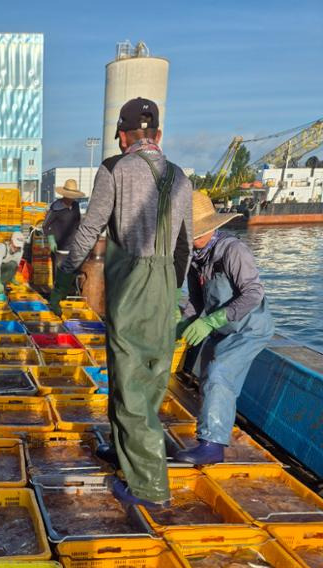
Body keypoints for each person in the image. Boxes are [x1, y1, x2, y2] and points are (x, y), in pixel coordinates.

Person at [51, 96, 193, 508]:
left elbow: (91, 225)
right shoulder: (182, 177)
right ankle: (124, 452)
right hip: (166, 281)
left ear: (122, 136)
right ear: (158, 135)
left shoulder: (114, 169)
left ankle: (148, 486)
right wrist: (171, 289)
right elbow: (184, 243)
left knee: (129, 381)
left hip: (132, 281)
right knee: (146, 376)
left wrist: (67, 271)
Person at [174, 192, 274, 464]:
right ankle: (207, 434)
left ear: (210, 228)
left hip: (249, 328)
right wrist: (182, 324)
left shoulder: (233, 251)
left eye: (194, 234)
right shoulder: (197, 259)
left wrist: (211, 321)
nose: (189, 241)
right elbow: (196, 301)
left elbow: (253, 293)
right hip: (222, 328)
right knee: (207, 378)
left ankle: (212, 445)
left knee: (220, 374)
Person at [43, 178, 85, 272]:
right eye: (69, 196)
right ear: (64, 195)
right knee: (59, 273)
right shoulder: (56, 207)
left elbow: (78, 223)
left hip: (72, 246)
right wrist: (50, 238)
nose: (71, 199)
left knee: (71, 274)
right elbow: (45, 225)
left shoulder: (75, 206)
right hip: (59, 247)